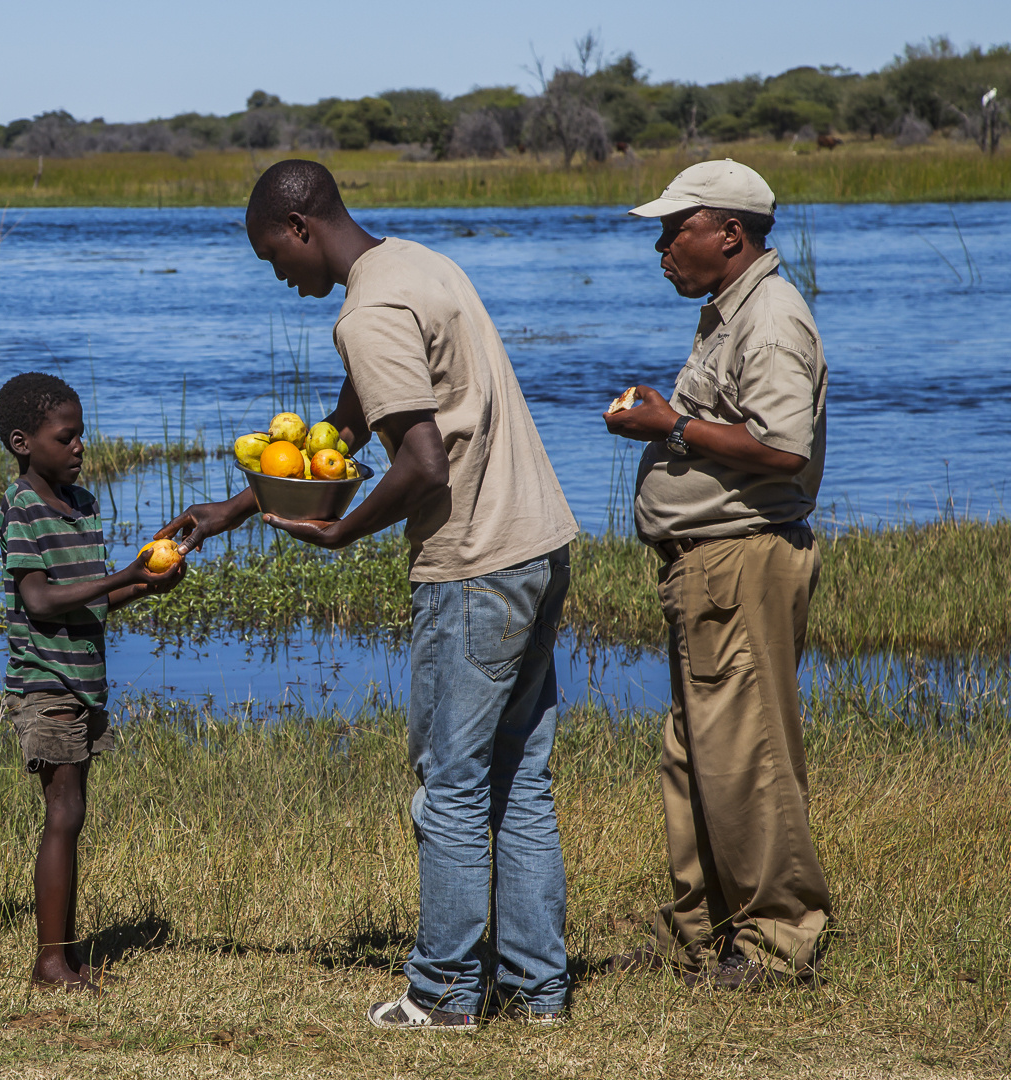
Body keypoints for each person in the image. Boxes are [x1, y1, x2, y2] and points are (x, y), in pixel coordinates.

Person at [158, 160, 579, 1028]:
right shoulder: (416, 266)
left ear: (302, 226)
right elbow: (347, 429)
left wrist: (342, 534)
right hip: (538, 542)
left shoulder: (368, 312)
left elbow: (421, 463)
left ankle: (447, 995)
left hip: (473, 565)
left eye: (274, 254)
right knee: (520, 781)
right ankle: (540, 994)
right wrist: (235, 509)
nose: (279, 275)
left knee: (452, 785)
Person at [603, 159, 832, 989]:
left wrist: (674, 426)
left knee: (747, 755)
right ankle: (703, 939)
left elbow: (781, 450)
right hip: (707, 565)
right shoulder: (729, 314)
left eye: (675, 230)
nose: (662, 248)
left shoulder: (769, 319)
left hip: (740, 560)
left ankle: (777, 944)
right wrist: (672, 428)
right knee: (695, 754)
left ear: (729, 234)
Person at [0, 371, 185, 991]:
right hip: (45, 680)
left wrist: (146, 582)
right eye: (66, 437)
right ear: (23, 442)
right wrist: (121, 575)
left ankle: (65, 955)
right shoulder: (21, 508)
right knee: (63, 812)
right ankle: (51, 962)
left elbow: (93, 603)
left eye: (82, 435)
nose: (80, 447)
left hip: (85, 680)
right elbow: (41, 601)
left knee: (72, 814)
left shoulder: (83, 504)